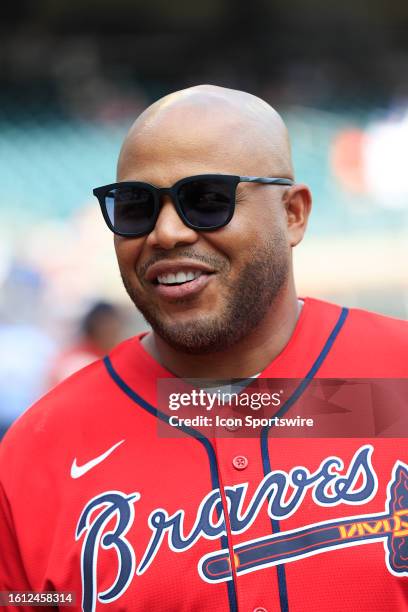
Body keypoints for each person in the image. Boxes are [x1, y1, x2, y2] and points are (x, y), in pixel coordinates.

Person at [0, 85, 407, 612]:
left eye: (208, 200)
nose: (166, 232)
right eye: (135, 207)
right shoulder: (40, 448)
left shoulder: (394, 378)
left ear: (293, 214)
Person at [47, 301, 124, 387]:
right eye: (108, 330)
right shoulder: (80, 360)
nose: (113, 336)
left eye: (115, 331)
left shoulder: (110, 357)